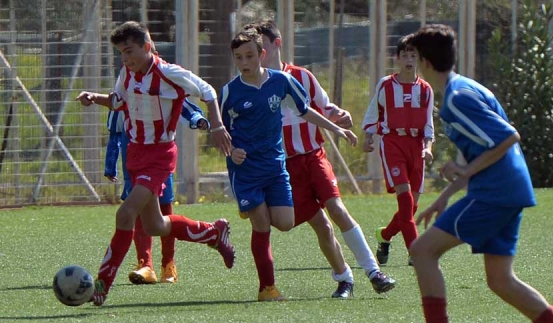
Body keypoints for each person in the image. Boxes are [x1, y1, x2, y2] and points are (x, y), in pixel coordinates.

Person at [388, 24, 553, 323]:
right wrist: (446, 196)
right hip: (508, 190)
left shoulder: (457, 99)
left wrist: (465, 172)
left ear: (424, 61)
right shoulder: (465, 88)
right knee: (500, 280)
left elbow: (507, 137)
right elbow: (482, 148)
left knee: (423, 251)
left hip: (495, 192)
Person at [76, 21, 235, 306]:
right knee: (156, 225)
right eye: (121, 53)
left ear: (147, 47)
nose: (125, 58)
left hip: (159, 156)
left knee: (125, 213)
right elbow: (118, 102)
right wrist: (94, 98)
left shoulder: (169, 73)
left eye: (129, 51)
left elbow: (208, 91)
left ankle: (102, 284)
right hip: (134, 153)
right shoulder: (127, 72)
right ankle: (214, 233)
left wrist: (217, 126)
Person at [252, 20, 396, 298]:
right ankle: (345, 279)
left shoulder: (302, 77)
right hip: (285, 168)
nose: (259, 54)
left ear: (277, 44)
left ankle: (374, 272)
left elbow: (324, 107)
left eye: (263, 47)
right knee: (321, 225)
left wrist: (339, 115)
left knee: (337, 209)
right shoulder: (255, 86)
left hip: (313, 157)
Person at [220, 28, 356, 301]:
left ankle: (249, 210)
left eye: (249, 55)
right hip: (246, 170)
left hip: (275, 166)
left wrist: (336, 129)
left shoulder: (282, 81)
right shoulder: (230, 91)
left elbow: (305, 111)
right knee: (261, 223)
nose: (244, 62)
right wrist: (232, 150)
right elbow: (219, 130)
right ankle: (267, 288)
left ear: (262, 54)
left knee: (285, 222)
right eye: (238, 57)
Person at [104, 99, 209, 285]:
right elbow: (115, 130)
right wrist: (110, 162)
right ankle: (145, 264)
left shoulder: (162, 87)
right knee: (137, 208)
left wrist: (197, 118)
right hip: (133, 159)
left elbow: (183, 104)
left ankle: (168, 263)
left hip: (159, 156)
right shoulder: (125, 90)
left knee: (165, 207)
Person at [362, 34, 434, 267]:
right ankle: (415, 251)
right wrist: (368, 137)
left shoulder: (425, 90)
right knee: (405, 199)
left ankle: (385, 236)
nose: (409, 60)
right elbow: (374, 112)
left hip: (416, 146)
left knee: (412, 206)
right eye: (405, 55)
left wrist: (428, 147)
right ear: (397, 58)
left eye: (413, 55)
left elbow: (428, 123)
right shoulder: (386, 85)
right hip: (393, 143)